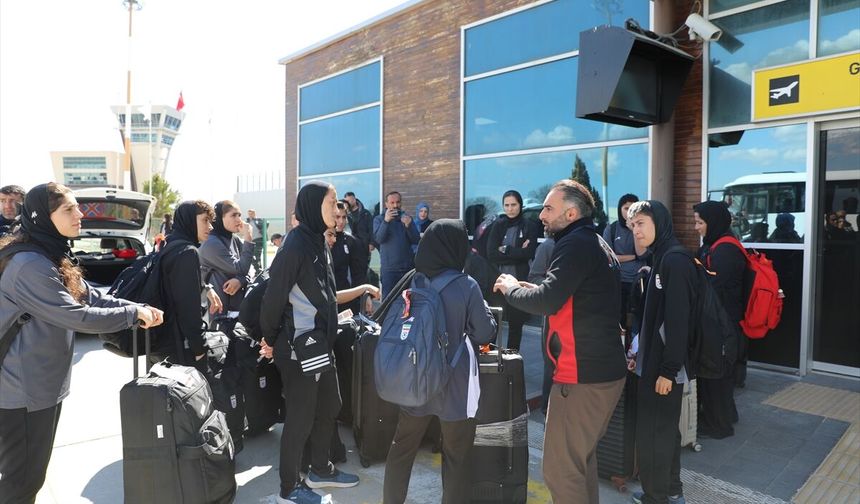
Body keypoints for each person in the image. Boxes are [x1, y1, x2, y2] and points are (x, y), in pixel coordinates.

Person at [0, 182, 164, 503]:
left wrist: (137, 307)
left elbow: (93, 296)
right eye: (69, 209)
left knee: (28, 475)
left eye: (77, 207)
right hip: (23, 392)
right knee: (22, 481)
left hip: (40, 387)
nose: (80, 215)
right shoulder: (30, 265)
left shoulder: (49, 254)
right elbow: (79, 316)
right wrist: (133, 315)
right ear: (43, 217)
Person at [493, 180, 626, 504]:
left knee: (560, 471)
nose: (542, 215)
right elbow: (568, 294)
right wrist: (528, 287)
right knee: (580, 463)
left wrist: (512, 288)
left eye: (549, 209)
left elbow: (548, 300)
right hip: (602, 373)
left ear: (571, 212)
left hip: (581, 378)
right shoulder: (593, 242)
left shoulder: (575, 244)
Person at [260, 181, 379, 504]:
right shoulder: (294, 246)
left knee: (331, 405)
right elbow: (273, 297)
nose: (338, 208)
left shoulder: (318, 242)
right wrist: (269, 339)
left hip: (319, 344)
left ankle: (321, 469)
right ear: (314, 206)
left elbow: (326, 295)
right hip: (299, 346)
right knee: (300, 416)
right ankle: (289, 487)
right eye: (332, 202)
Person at [383, 219, 498, 504]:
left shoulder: (413, 280)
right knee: (456, 457)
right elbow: (484, 332)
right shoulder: (466, 285)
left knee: (401, 450)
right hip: (454, 383)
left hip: (415, 378)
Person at [626, 200, 694, 504]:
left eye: (640, 223)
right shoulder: (661, 257)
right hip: (653, 363)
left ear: (659, 222)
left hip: (664, 369)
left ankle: (657, 497)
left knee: (656, 435)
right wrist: (638, 353)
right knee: (664, 433)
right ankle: (669, 491)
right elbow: (654, 319)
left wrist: (668, 370)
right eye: (631, 225)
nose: (635, 231)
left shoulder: (674, 260)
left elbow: (678, 321)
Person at [154, 200, 223, 369]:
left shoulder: (170, 243)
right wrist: (200, 349)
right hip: (180, 346)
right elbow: (188, 309)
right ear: (190, 220)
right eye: (205, 220)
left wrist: (207, 289)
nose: (211, 227)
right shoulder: (187, 252)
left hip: (161, 340)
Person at [694, 201, 745, 425]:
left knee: (718, 374)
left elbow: (712, 284)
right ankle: (723, 417)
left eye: (700, 222)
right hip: (717, 318)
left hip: (724, 321)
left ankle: (720, 425)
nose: (696, 227)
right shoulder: (713, 244)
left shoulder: (726, 249)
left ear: (713, 222)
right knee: (714, 373)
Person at [486, 190, 540, 351]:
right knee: (493, 323)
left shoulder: (529, 226)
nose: (510, 209)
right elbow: (491, 254)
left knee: (516, 324)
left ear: (520, 205)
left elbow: (529, 253)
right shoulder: (498, 225)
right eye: (506, 205)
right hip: (498, 282)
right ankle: (489, 356)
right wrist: (517, 252)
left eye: (513, 205)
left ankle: (512, 358)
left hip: (519, 282)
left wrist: (506, 249)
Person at [200, 200, 256, 312]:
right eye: (233, 215)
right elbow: (241, 268)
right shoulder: (211, 242)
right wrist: (248, 238)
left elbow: (251, 267)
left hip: (234, 309)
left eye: (239, 215)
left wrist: (241, 280)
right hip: (216, 310)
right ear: (220, 217)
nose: (239, 220)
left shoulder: (233, 238)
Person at [604, 194, 649, 331]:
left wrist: (634, 229)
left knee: (638, 318)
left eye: (633, 208)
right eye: (626, 208)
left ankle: (635, 349)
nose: (629, 212)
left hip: (638, 280)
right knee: (619, 317)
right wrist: (632, 256)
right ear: (619, 209)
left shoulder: (642, 228)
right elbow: (609, 257)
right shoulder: (612, 229)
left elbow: (642, 254)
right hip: (618, 280)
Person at [527, 233, 555, 416]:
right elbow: (534, 276)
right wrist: (554, 287)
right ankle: (547, 411)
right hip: (553, 315)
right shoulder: (548, 246)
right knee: (551, 364)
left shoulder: (589, 242)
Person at [373, 191, 420, 297]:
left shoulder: (406, 218)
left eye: (398, 202)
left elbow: (416, 240)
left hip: (407, 269)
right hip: (389, 270)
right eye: (392, 202)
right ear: (386, 204)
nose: (395, 205)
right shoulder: (379, 219)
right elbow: (379, 239)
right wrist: (386, 222)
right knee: (388, 304)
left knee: (408, 303)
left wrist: (409, 226)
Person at [331, 202, 368, 314]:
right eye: (337, 217)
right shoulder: (319, 240)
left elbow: (359, 273)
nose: (341, 221)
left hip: (346, 296)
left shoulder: (351, 241)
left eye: (344, 217)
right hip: (324, 296)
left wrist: (365, 296)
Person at [344, 192, 374, 256]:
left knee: (364, 264)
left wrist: (372, 243)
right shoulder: (345, 215)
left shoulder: (366, 213)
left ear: (355, 199)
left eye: (351, 200)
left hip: (364, 245)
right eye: (347, 201)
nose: (349, 202)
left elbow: (371, 229)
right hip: (351, 245)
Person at [247, 208, 265, 273]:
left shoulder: (258, 220)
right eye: (249, 214)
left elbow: (266, 224)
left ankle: (259, 271)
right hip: (251, 241)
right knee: (251, 257)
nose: (250, 215)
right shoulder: (248, 221)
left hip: (258, 240)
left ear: (254, 214)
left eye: (251, 214)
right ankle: (258, 270)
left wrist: (262, 230)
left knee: (257, 256)